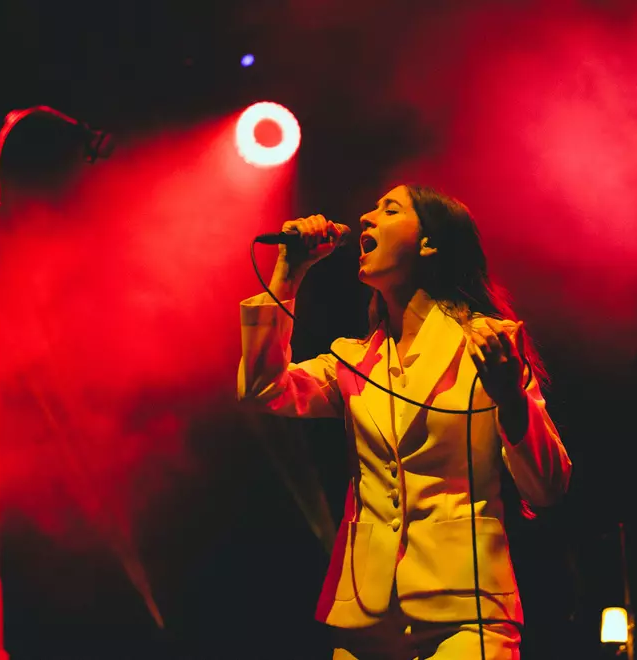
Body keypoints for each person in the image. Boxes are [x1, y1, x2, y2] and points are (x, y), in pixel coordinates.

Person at [238, 184, 572, 659]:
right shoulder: (351, 361)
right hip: (363, 614)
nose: (367, 219)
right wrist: (289, 273)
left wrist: (510, 398)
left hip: (467, 609)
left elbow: (549, 487)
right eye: (371, 208)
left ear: (429, 243)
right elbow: (262, 390)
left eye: (389, 210)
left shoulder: (486, 345)